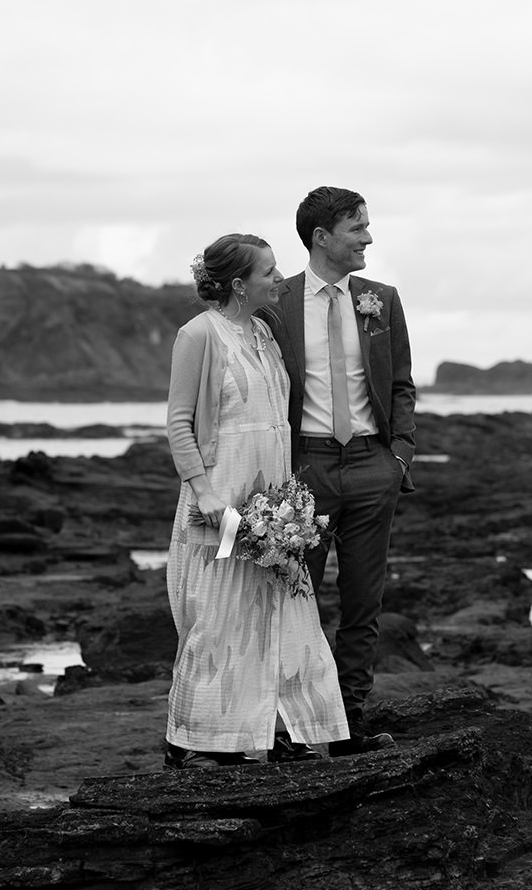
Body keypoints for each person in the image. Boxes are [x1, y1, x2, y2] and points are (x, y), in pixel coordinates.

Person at [162, 233, 351, 769]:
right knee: (219, 616)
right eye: (268, 270)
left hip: (273, 508)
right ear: (239, 283)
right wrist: (205, 494)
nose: (278, 277)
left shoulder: (266, 333)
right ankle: (192, 743)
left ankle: (287, 733)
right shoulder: (199, 334)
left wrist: (288, 504)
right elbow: (179, 422)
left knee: (286, 613)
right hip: (220, 507)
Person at [256, 186, 416, 757]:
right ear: (322, 238)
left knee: (362, 605)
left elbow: (400, 384)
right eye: (358, 228)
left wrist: (398, 455)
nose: (368, 237)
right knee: (293, 602)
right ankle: (295, 726)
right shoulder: (277, 303)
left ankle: (348, 723)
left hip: (374, 467)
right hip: (306, 471)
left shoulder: (382, 299)